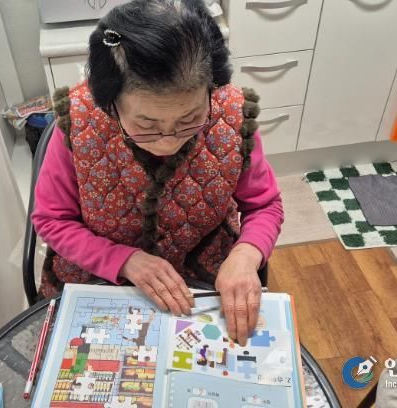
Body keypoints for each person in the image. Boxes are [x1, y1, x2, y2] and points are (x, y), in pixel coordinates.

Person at [32, 0, 284, 345]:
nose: (168, 141)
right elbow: (52, 220)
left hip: (206, 277)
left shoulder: (232, 116)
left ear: (211, 90)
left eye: (190, 119)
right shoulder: (80, 123)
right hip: (99, 278)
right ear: (110, 103)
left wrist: (245, 255)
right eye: (147, 125)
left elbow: (265, 205)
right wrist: (123, 260)